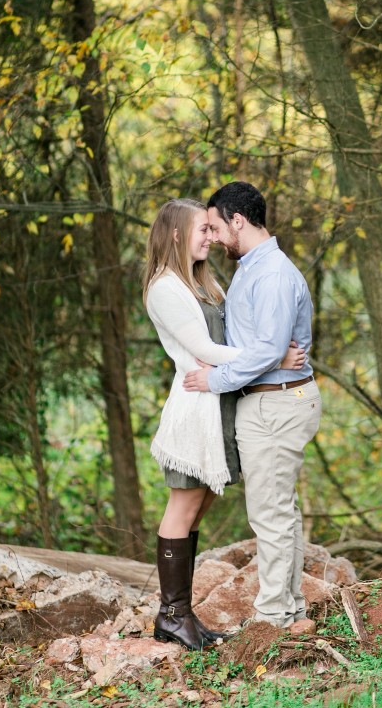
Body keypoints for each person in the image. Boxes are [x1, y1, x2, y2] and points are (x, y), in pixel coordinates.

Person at [143, 198, 304, 650]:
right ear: (176, 234)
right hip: (195, 410)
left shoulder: (201, 281)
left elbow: (234, 338)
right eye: (202, 230)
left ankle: (180, 616)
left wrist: (263, 348)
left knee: (200, 509)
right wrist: (274, 356)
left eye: (213, 230)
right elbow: (204, 350)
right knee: (183, 508)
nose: (211, 238)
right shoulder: (164, 288)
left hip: (220, 407)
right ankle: (172, 615)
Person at [184, 182, 322, 630]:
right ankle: (290, 608)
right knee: (279, 511)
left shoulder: (274, 274)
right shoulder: (250, 268)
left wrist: (214, 380)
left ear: (237, 221)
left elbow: (265, 351)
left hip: (277, 404)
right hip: (267, 401)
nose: (215, 238)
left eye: (217, 227)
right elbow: (259, 345)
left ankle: (272, 618)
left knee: (270, 514)